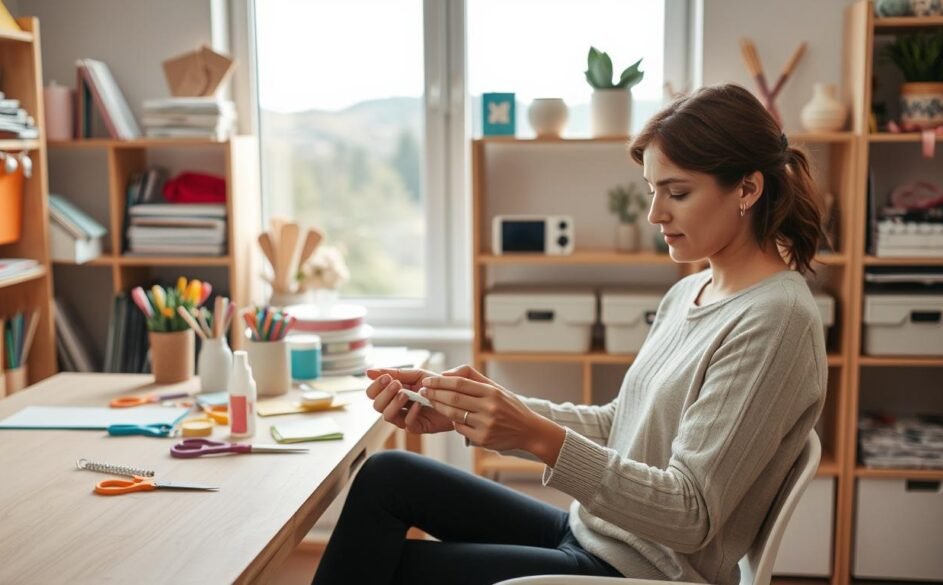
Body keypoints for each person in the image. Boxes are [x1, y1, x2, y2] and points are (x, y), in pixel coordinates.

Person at [311, 83, 828, 585]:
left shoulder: (775, 319)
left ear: (747, 188)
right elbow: (617, 424)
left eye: (678, 192)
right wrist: (475, 409)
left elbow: (690, 514)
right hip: (593, 534)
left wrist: (536, 435)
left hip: (642, 571)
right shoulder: (689, 292)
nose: (655, 214)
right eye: (652, 191)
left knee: (381, 567)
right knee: (388, 475)